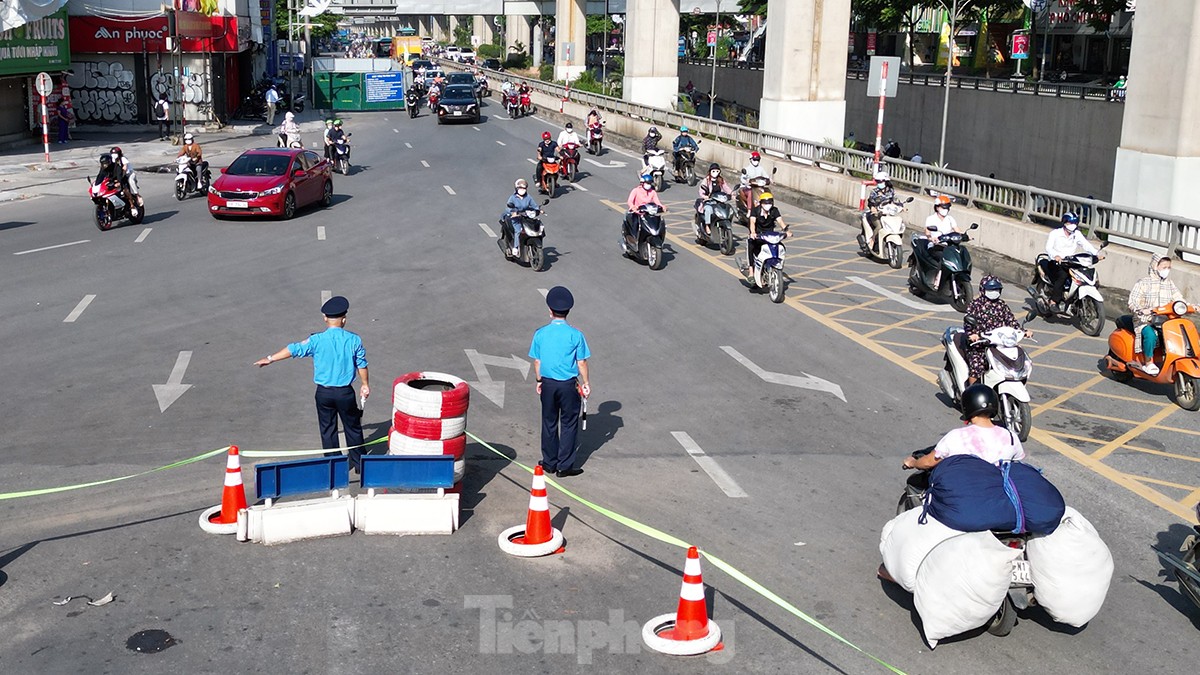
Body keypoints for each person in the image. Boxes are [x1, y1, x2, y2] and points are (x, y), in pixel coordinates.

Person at [254, 296, 371, 472]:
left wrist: (270, 359)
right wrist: (365, 384)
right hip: (345, 393)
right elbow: (361, 364)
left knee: (328, 430)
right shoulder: (354, 340)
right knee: (352, 428)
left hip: (323, 393)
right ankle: (359, 463)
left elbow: (293, 349)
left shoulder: (316, 340)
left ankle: (333, 466)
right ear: (344, 319)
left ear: (325, 318)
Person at [529, 286, 591, 478]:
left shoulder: (540, 334)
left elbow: (537, 361)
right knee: (569, 422)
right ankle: (565, 466)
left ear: (550, 310)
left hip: (548, 384)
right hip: (568, 385)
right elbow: (581, 362)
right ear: (568, 311)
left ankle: (549, 462)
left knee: (548, 422)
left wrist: (539, 380)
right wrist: (586, 383)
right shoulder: (576, 335)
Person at [903, 385, 1025, 472]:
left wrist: (912, 462)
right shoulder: (1010, 437)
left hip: (965, 495)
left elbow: (928, 462)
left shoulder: (957, 437)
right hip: (999, 495)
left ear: (967, 407)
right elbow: (1018, 462)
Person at [961, 276, 1031, 385]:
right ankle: (970, 392)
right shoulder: (975, 305)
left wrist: (1023, 332)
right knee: (977, 367)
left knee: (1016, 361)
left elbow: (1011, 321)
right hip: (980, 344)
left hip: (999, 344)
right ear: (983, 290)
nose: (994, 292)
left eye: (996, 289)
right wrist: (973, 335)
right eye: (990, 290)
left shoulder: (1001, 305)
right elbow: (968, 323)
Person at [1128, 253, 1187, 375]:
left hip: (1165, 321)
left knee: (1181, 332)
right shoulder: (1143, 283)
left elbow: (1179, 298)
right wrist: (1141, 309)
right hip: (1145, 320)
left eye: (1169, 267)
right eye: (1164, 267)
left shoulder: (1169, 284)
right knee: (1150, 335)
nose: (1167, 270)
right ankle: (1148, 362)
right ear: (1155, 266)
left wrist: (1190, 306)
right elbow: (1132, 302)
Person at [1040, 212, 1103, 311]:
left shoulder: (1076, 234)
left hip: (1070, 262)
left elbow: (1085, 244)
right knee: (1062, 276)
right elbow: (1048, 248)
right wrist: (1055, 256)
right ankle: (1053, 301)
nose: (1072, 225)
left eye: (1074, 223)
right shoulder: (1055, 233)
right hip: (1056, 262)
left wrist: (1096, 254)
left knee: (1083, 274)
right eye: (1070, 223)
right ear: (1064, 223)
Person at [741, 191, 788, 275]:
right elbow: (752, 222)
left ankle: (778, 266)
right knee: (750, 246)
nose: (767, 204)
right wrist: (753, 232)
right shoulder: (755, 210)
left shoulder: (774, 210)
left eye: (769, 202)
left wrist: (786, 230)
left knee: (782, 248)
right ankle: (751, 271)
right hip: (758, 235)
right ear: (761, 203)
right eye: (765, 202)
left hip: (770, 236)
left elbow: (780, 221)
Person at [501, 178, 539, 257]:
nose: (522, 190)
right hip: (516, 218)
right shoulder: (513, 198)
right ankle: (515, 248)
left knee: (536, 226)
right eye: (520, 188)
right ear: (516, 188)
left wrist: (539, 210)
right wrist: (513, 212)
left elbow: (534, 206)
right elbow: (508, 208)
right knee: (518, 230)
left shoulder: (528, 197)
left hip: (525, 217)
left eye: (524, 188)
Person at [624, 173, 666, 240]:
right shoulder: (636, 190)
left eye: (650, 183)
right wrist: (633, 207)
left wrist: (662, 207)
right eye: (647, 183)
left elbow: (657, 202)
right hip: (637, 213)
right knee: (635, 225)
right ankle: (634, 240)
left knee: (658, 223)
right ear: (642, 183)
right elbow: (629, 201)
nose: (648, 185)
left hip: (648, 213)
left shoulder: (652, 192)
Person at [862, 170, 896, 251]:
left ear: (885, 181)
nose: (878, 183)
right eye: (877, 181)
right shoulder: (874, 192)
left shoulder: (891, 191)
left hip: (887, 213)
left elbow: (894, 201)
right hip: (876, 214)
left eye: (880, 181)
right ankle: (872, 240)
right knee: (879, 227)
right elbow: (870, 202)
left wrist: (901, 206)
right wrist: (873, 208)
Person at [696, 162, 733, 233]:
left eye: (717, 171)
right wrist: (705, 197)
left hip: (719, 201)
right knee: (708, 209)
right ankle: (707, 226)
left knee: (728, 208)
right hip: (709, 201)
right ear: (710, 172)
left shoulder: (721, 180)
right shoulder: (706, 180)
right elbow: (701, 191)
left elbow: (726, 188)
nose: (715, 172)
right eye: (713, 171)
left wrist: (732, 193)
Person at [921, 195, 962, 259]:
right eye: (943, 208)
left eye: (947, 208)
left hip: (949, 246)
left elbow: (957, 229)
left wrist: (964, 235)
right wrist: (931, 238)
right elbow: (927, 231)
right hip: (935, 245)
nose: (945, 210)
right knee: (941, 256)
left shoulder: (950, 219)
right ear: (937, 208)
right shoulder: (931, 219)